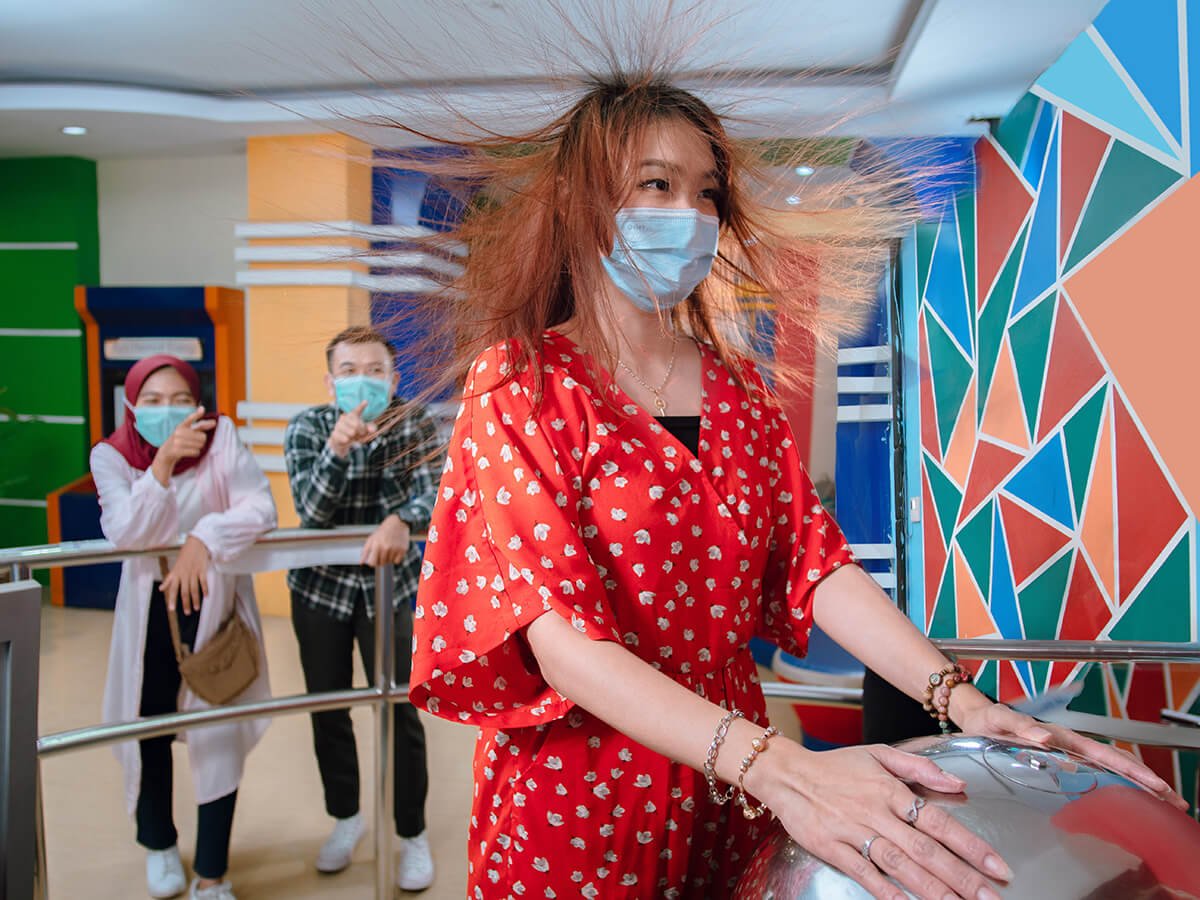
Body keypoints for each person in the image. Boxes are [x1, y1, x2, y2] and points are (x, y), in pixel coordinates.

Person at [404, 75, 1185, 899]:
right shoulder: (524, 385)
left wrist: (957, 699)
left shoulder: (738, 389)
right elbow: (562, 643)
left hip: (736, 797)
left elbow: (820, 567)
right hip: (582, 806)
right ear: (582, 200)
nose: (690, 215)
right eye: (656, 184)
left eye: (707, 193)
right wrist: (777, 766)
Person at [91, 354, 277, 900]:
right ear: (130, 406)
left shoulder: (221, 439)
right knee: (147, 726)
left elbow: (259, 508)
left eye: (179, 401)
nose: (167, 413)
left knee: (217, 733)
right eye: (151, 402)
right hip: (150, 609)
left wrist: (205, 539)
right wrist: (162, 468)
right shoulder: (112, 455)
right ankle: (159, 844)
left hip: (213, 606)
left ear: (197, 403)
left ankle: (212, 873)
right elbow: (128, 532)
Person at [283, 325, 441, 891]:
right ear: (331, 382)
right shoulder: (307, 428)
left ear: (393, 378)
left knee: (402, 708)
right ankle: (346, 818)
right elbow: (312, 511)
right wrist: (338, 449)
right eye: (349, 371)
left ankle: (411, 833)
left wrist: (402, 520)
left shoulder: (413, 422)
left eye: (375, 370)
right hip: (320, 591)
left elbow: (432, 494)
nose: (363, 381)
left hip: (392, 589)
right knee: (329, 708)